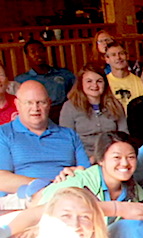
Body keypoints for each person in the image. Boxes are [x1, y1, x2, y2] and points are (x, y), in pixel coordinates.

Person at [0, 81, 90, 209]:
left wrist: (73, 177)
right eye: (29, 103)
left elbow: (86, 173)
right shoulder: (3, 133)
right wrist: (48, 186)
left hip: (68, 197)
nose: (35, 108)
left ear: (49, 103)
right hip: (23, 200)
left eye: (41, 102)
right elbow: (2, 179)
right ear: (17, 104)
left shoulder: (69, 135)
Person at [36, 131, 143, 223]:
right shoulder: (78, 180)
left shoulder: (134, 190)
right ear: (101, 160)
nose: (125, 163)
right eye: (117, 157)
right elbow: (44, 209)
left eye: (131, 157)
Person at [58, 65, 128, 161]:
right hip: (82, 158)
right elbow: (66, 140)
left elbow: (123, 135)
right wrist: (86, 159)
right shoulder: (69, 107)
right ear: (81, 84)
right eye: (89, 81)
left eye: (99, 81)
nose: (94, 85)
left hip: (112, 156)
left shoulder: (115, 105)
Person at [14, 39, 75, 119]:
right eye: (33, 52)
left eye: (41, 50)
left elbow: (77, 91)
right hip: (36, 115)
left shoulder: (64, 74)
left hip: (64, 113)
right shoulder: (21, 80)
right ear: (27, 56)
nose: (38, 54)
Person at [104, 43, 143, 112]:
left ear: (127, 56)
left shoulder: (141, 83)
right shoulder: (104, 83)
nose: (118, 57)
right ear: (107, 59)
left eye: (121, 53)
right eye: (113, 55)